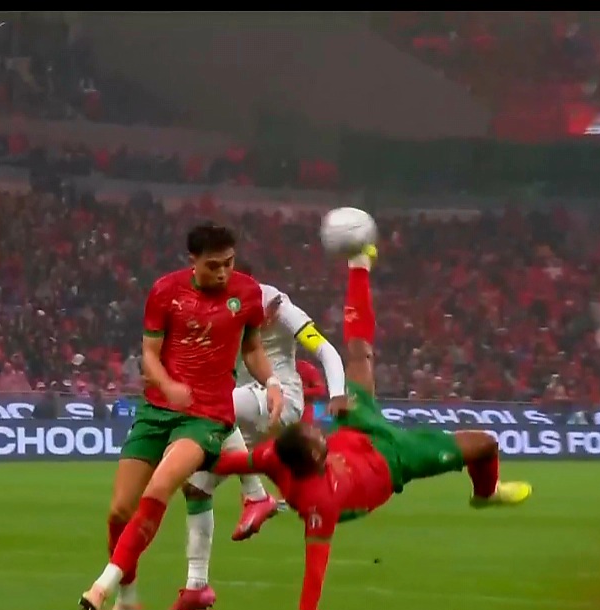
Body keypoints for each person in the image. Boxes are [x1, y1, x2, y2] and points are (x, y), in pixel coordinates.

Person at [212, 245, 532, 610]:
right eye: (316, 436)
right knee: (485, 444)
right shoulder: (319, 502)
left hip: (357, 427)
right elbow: (314, 576)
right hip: (395, 457)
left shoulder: (274, 456)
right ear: (315, 456)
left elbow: (223, 461)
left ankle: (358, 266)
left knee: (359, 352)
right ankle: (486, 495)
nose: (318, 430)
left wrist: (174, 457)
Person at [78, 223, 284, 610]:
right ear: (193, 260)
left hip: (207, 416)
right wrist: (168, 385)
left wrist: (271, 381)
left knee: (160, 486)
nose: (222, 272)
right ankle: (128, 599)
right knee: (119, 511)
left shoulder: (247, 293)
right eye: (213, 265)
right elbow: (149, 355)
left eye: (228, 263)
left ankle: (101, 588)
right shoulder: (165, 291)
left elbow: (253, 348)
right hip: (157, 410)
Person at [172, 277, 348, 610]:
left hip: (281, 401)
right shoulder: (222, 314)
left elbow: (325, 350)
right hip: (244, 417)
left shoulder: (281, 308)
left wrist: (337, 392)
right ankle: (197, 585)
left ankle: (256, 495)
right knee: (196, 487)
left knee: (213, 405)